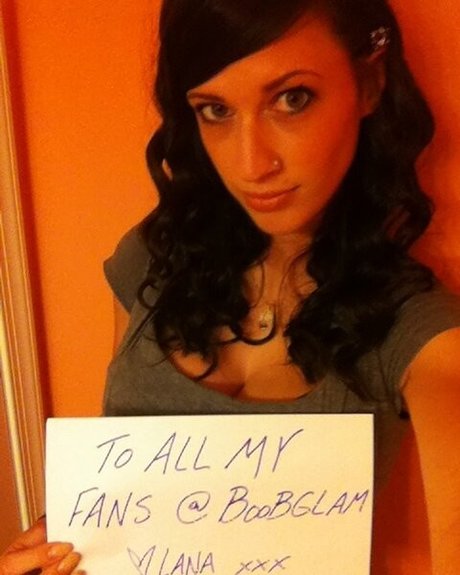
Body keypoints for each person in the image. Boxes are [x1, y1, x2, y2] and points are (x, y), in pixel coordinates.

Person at [2, 0, 460, 573]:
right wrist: (62, 544)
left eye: (292, 99)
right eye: (216, 110)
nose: (251, 164)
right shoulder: (153, 259)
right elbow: (127, 498)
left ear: (369, 84)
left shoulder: (423, 336)